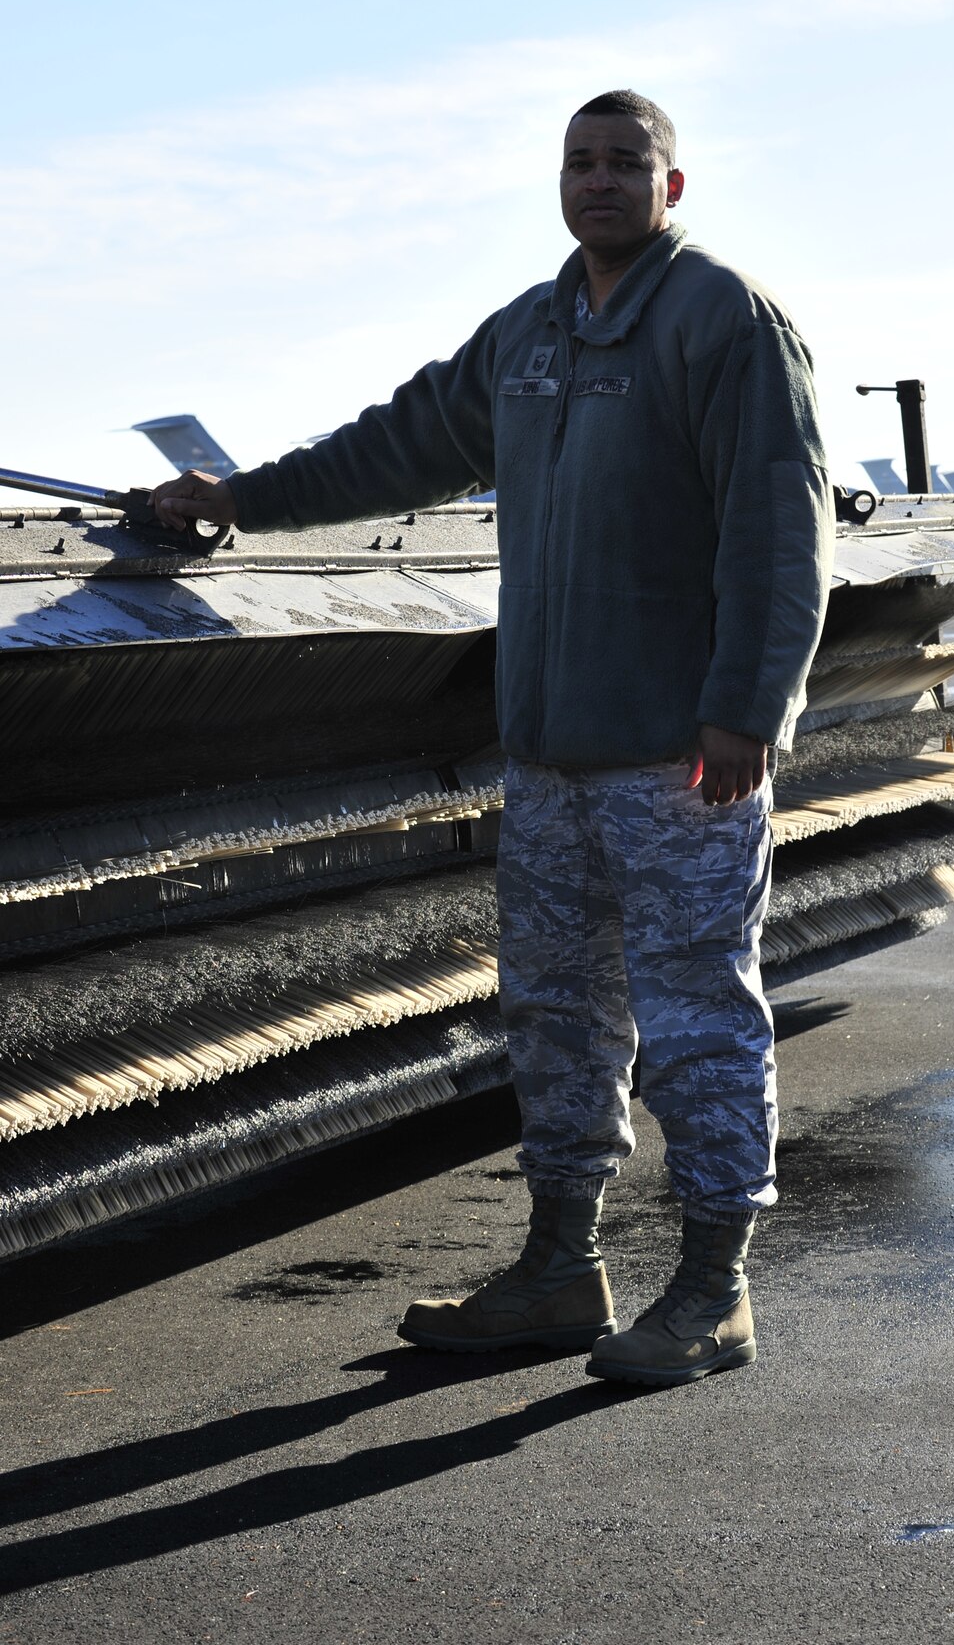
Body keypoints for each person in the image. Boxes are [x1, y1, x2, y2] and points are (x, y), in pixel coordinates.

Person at [151, 89, 834, 1388]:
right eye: (579, 162)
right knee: (558, 1017)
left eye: (627, 163)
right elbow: (397, 445)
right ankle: (561, 1270)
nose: (599, 181)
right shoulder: (528, 336)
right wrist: (236, 499)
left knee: (697, 1019)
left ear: (672, 188)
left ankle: (712, 1290)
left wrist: (750, 707)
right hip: (555, 754)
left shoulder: (723, 322)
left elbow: (780, 525)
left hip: (683, 756)